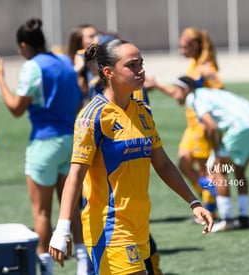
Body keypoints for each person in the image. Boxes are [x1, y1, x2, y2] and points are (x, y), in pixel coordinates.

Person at [48, 39, 214, 275]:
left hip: (139, 224)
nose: (141, 70)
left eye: (141, 63)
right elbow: (75, 175)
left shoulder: (143, 112)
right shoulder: (93, 116)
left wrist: (193, 202)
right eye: (132, 65)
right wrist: (63, 228)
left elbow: (163, 164)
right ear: (109, 72)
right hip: (109, 227)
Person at [0, 18, 85, 275]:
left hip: (45, 142)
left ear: (23, 45)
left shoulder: (32, 67)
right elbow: (78, 100)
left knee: (42, 213)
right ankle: (84, 265)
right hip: (71, 141)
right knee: (73, 207)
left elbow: (16, 109)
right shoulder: (65, 61)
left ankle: (45, 269)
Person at [172, 76, 249, 232]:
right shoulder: (209, 93)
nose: (174, 95)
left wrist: (216, 150)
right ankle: (243, 218)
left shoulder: (194, 98)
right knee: (239, 171)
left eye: (175, 91)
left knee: (218, 172)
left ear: (186, 89)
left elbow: (212, 126)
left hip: (241, 126)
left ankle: (227, 219)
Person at [145, 27, 224, 218]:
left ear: (196, 45)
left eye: (184, 47)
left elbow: (220, 91)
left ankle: (211, 207)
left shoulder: (205, 68)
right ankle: (208, 194)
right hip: (192, 125)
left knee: (205, 167)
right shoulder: (193, 65)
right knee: (184, 162)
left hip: (202, 125)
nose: (181, 51)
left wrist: (157, 85)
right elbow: (181, 96)